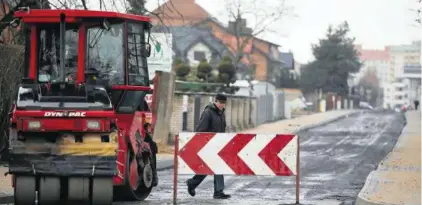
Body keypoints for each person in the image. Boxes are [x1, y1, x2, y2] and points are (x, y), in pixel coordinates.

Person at [186, 94, 231, 199]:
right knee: (208, 168)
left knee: (216, 167)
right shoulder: (208, 112)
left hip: (218, 145)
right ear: (215, 101)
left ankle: (217, 191)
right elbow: (201, 130)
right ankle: (193, 184)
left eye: (223, 103)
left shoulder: (221, 113)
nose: (221, 105)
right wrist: (204, 144)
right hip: (208, 145)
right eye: (220, 102)